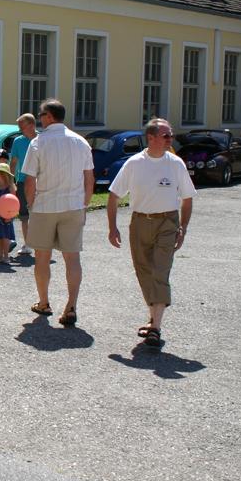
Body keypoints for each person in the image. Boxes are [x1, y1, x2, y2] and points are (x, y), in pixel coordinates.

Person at [106, 118, 196, 347]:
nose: (171, 139)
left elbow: (187, 199)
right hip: (139, 222)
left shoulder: (175, 164)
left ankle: (156, 327)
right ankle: (153, 316)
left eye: (171, 135)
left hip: (167, 221)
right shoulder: (134, 163)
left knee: (160, 270)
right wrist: (112, 227)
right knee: (144, 270)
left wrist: (183, 228)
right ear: (152, 138)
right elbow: (114, 195)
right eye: (166, 136)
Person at [22, 99, 94, 326]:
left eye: (41, 114)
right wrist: (84, 203)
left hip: (45, 205)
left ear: (49, 117)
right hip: (73, 206)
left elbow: (30, 180)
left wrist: (31, 204)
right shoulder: (81, 142)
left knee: (42, 257)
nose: (40, 118)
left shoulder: (38, 143)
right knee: (72, 258)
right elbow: (89, 179)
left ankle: (44, 302)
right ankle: (71, 305)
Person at [9, 113, 37, 256]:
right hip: (22, 181)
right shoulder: (18, 141)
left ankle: (42, 244)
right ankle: (27, 244)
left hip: (41, 182)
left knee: (40, 214)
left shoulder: (42, 140)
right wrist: (11, 182)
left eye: (22, 127)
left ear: (32, 125)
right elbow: (13, 163)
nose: (20, 130)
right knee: (24, 215)